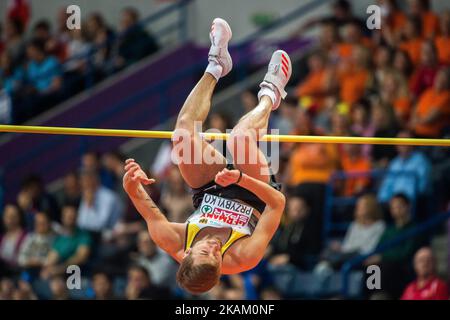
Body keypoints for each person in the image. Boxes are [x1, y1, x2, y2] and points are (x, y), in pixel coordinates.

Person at [123, 18, 289, 295]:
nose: (213, 248)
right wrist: (240, 179)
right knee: (239, 138)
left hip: (209, 188)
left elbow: (142, 202)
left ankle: (217, 64)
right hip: (256, 194)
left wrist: (131, 184)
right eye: (216, 256)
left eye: (204, 251)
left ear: (186, 252)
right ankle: (271, 93)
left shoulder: (170, 239)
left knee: (182, 135)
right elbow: (277, 204)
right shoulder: (242, 257)